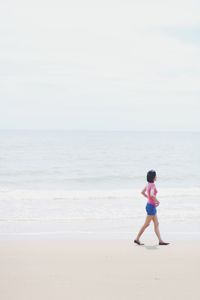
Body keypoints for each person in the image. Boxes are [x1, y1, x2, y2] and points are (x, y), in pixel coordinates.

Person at [134, 170, 169, 246]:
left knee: (156, 223)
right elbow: (152, 194)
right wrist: (157, 201)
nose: (157, 177)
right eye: (156, 175)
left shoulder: (148, 184)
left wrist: (148, 198)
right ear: (153, 177)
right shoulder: (152, 185)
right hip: (151, 207)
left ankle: (160, 241)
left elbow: (142, 192)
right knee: (146, 224)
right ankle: (137, 239)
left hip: (150, 206)